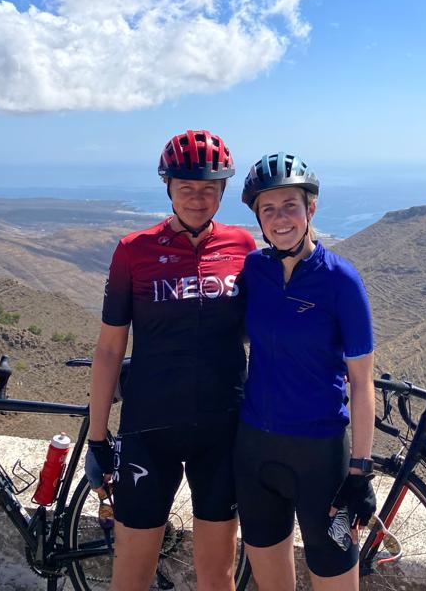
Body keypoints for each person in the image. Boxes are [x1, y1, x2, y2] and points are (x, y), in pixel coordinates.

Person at [85, 129, 255, 591]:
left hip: (222, 429)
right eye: (186, 188)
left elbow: (266, 335)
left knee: (218, 576)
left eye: (208, 188)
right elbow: (108, 348)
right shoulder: (133, 251)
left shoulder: (243, 247)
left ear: (222, 190)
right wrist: (97, 437)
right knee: (131, 577)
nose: (197, 199)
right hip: (149, 430)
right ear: (168, 188)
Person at [235, 153, 375, 591]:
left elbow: (362, 382)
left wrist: (361, 471)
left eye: (290, 206)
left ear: (310, 209)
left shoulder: (340, 281)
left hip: (322, 459)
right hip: (255, 449)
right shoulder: (255, 271)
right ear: (258, 216)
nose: (280, 219)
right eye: (268, 209)